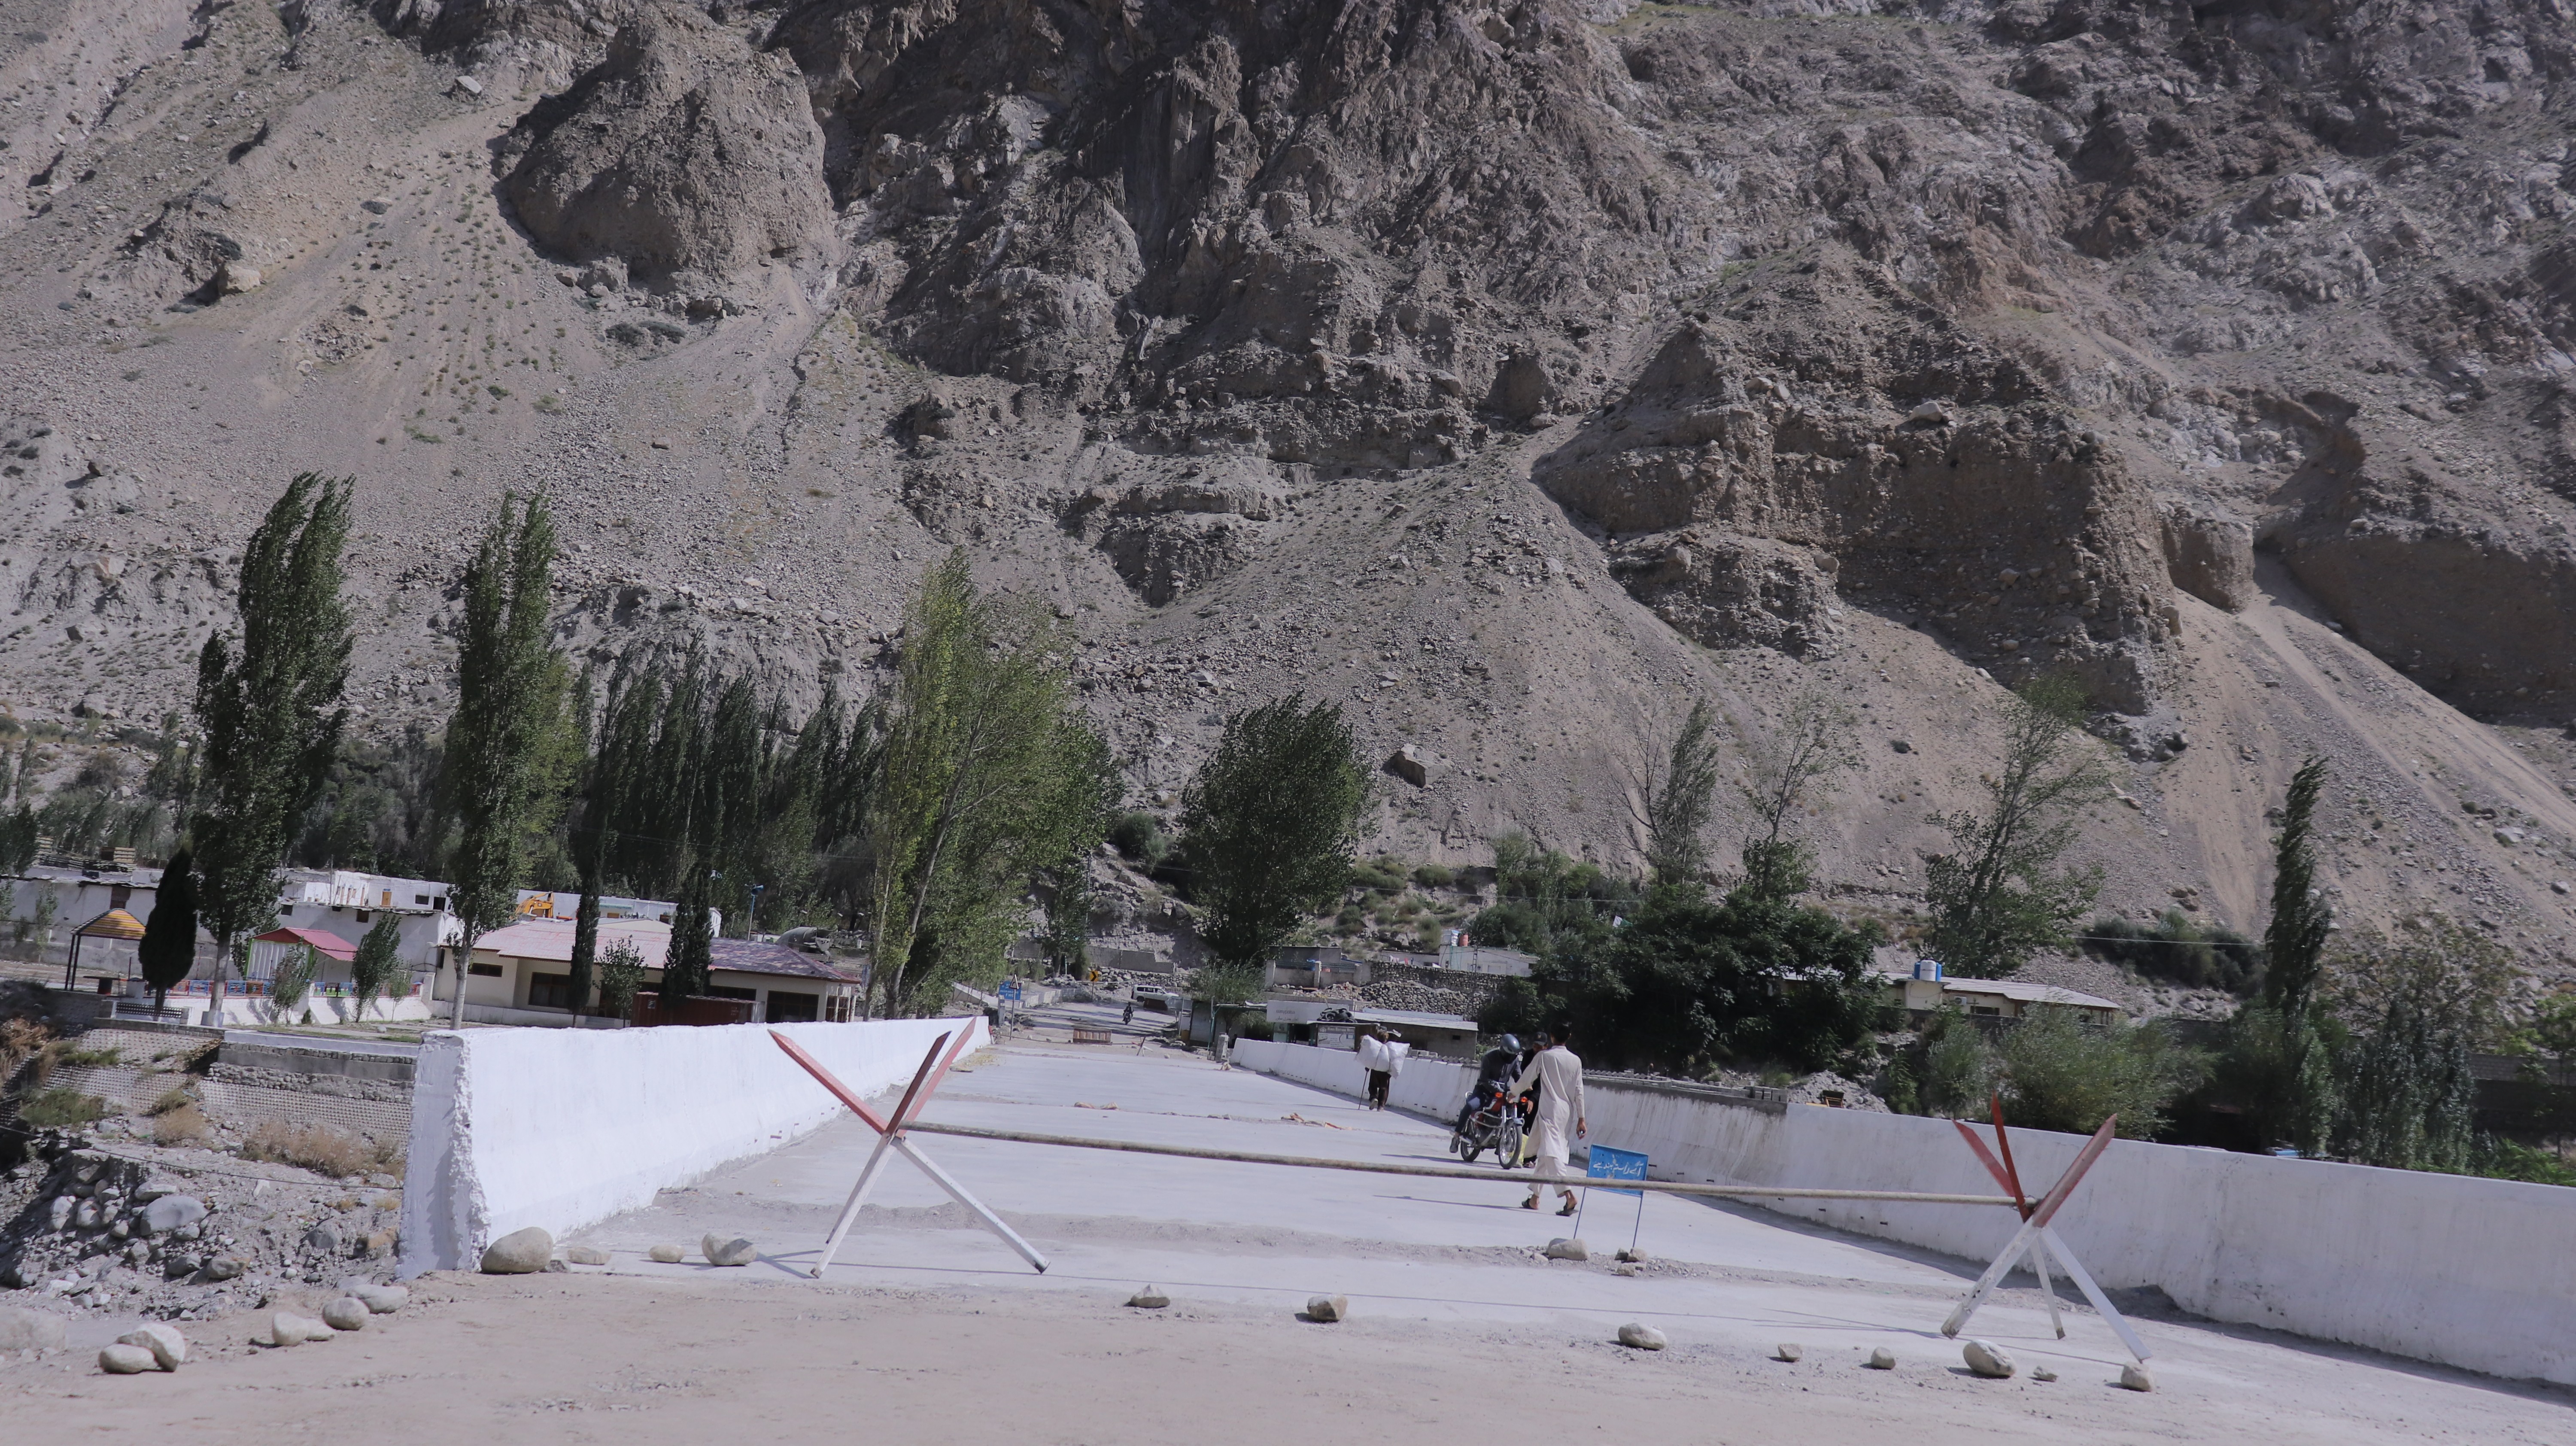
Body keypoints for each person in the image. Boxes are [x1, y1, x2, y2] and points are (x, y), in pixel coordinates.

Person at [1509, 1021, 1588, 1215]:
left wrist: (1514, 1092)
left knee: (1552, 1154)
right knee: (1545, 1154)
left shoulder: (1545, 1057)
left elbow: (1527, 1078)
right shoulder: (1576, 1061)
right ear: (1569, 1037)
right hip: (1566, 1113)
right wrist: (1581, 1118)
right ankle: (1535, 1198)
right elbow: (1579, 1091)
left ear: (1552, 1037)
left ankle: (1569, 1195)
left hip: (1549, 1110)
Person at [1456, 1033, 1522, 1134]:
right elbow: (1484, 1079)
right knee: (1470, 1106)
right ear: (1503, 1049)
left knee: (1512, 1108)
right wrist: (1498, 1089)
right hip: (1484, 1091)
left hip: (1502, 1094)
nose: (1511, 1057)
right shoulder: (1489, 1057)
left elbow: (1519, 1077)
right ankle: (1457, 1135)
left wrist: (1524, 1085)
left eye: (1513, 1055)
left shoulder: (1514, 1061)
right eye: (1509, 1054)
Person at [1356, 1025, 1403, 1109]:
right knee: (1384, 1088)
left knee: (1373, 1086)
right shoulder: (1390, 1047)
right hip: (1386, 1072)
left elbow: (1371, 1057)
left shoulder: (1375, 1047)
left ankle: (1374, 1097)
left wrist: (1368, 1067)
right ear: (1387, 1038)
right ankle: (1381, 1106)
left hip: (1376, 1070)